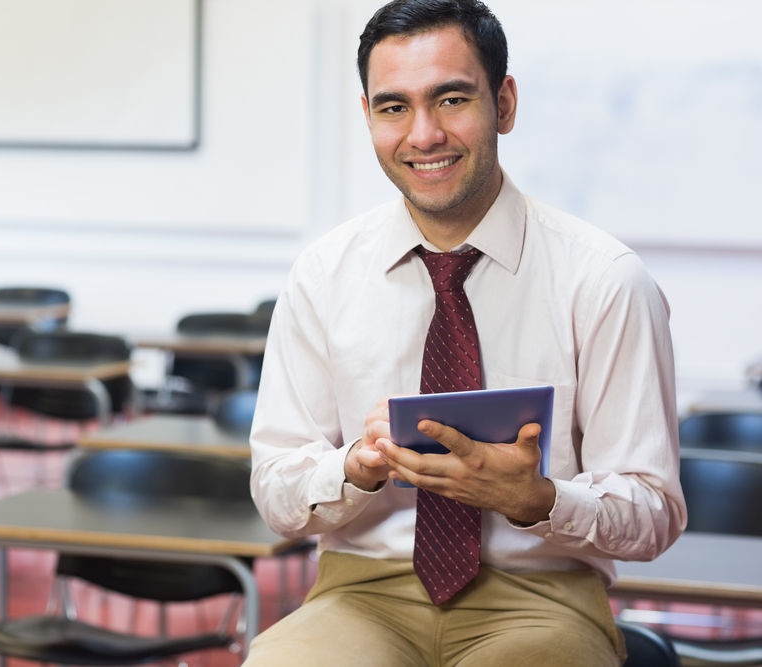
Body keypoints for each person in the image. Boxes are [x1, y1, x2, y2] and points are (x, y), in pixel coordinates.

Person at [246, 1, 686, 665]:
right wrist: (353, 469)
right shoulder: (323, 274)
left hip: (543, 597)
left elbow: (654, 510)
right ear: (367, 115)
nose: (423, 134)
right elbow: (276, 488)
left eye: (451, 99)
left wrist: (539, 498)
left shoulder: (606, 280)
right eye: (394, 107)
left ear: (504, 104)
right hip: (363, 595)